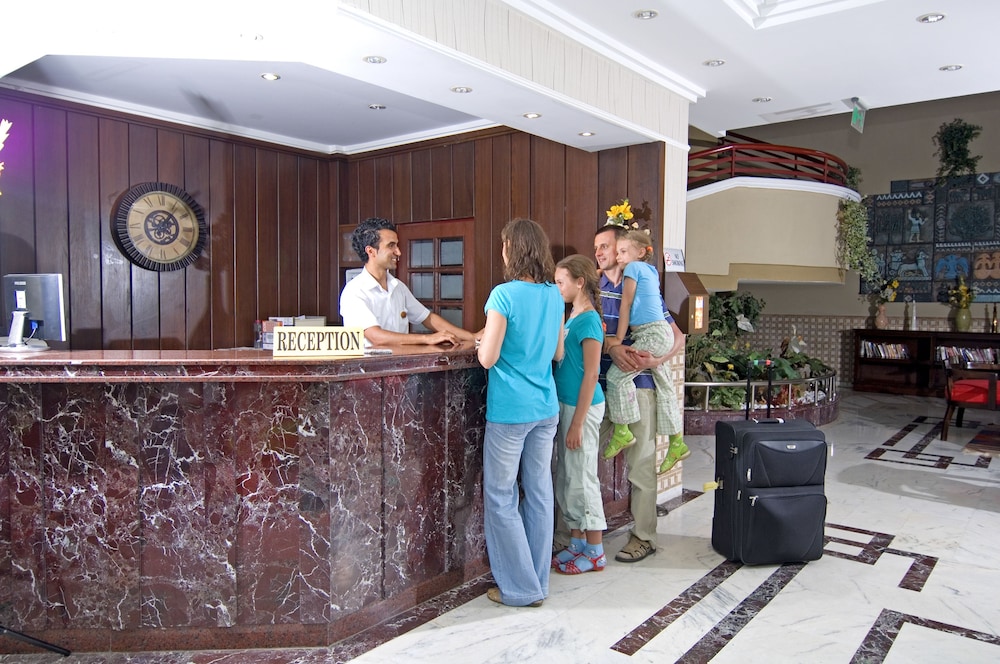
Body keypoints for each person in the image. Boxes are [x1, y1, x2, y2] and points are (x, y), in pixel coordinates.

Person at [478, 218, 565, 607]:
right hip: (545, 407)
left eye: (504, 245)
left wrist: (485, 341)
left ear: (512, 249)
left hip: (511, 411)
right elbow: (558, 353)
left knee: (501, 496)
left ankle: (518, 588)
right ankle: (538, 583)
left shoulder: (503, 295)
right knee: (540, 494)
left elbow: (488, 358)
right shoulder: (553, 294)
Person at [594, 223, 685, 563]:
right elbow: (583, 332)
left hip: (640, 387)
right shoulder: (593, 288)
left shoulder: (643, 283)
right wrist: (612, 347)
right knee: (579, 460)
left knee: (642, 467)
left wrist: (657, 359)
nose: (600, 253)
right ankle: (570, 535)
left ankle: (644, 537)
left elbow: (677, 335)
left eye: (606, 246)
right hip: (600, 388)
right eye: (597, 248)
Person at [602, 229, 688, 474]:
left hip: (650, 333)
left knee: (616, 378)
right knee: (666, 386)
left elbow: (626, 303)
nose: (619, 257)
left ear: (640, 252)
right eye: (617, 252)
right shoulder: (651, 271)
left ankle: (623, 430)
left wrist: (618, 339)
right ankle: (677, 442)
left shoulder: (632, 269)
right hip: (660, 333)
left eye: (623, 251)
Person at [551, 254, 607, 574]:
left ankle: (596, 550)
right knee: (568, 477)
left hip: (582, 407)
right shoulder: (572, 315)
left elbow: (591, 373)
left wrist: (578, 423)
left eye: (561, 282)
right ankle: (577, 543)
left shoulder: (589, 321)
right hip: (567, 404)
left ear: (579, 282)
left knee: (583, 478)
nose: (558, 287)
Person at [340, 217, 479, 345]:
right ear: (371, 251)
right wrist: (427, 339)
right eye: (391, 246)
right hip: (370, 365)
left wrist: (473, 337)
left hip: (401, 364)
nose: (398, 252)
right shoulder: (354, 291)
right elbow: (376, 337)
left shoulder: (398, 287)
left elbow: (427, 318)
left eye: (397, 245)